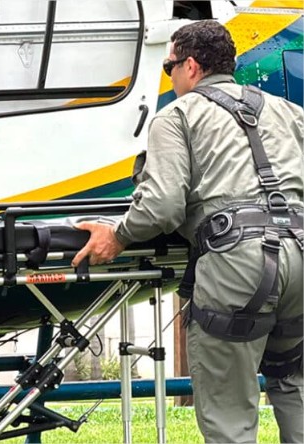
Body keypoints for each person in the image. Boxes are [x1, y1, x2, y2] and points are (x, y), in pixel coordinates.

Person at [72, 21, 303, 443]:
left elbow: (160, 206)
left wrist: (118, 235)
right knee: (294, 384)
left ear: (191, 66)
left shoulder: (177, 116)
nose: (170, 76)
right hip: (301, 255)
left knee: (230, 418)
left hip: (238, 265)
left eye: (168, 67)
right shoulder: (288, 111)